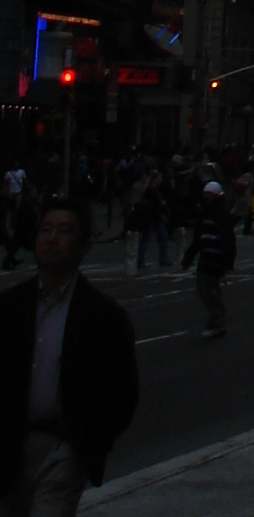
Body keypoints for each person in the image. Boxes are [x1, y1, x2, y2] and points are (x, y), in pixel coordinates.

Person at [0, 197, 139, 517]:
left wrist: (89, 441)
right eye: (45, 230)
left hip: (64, 446)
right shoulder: (10, 307)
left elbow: (123, 392)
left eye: (64, 231)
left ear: (84, 246)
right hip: (9, 442)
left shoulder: (103, 316)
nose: (51, 239)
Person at [183, 179, 237, 340]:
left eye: (208, 195)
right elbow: (198, 238)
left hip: (215, 257)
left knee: (208, 289)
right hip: (206, 256)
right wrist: (189, 256)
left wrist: (227, 261)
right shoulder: (206, 213)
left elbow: (228, 238)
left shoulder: (220, 213)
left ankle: (216, 321)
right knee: (207, 289)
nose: (205, 197)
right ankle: (217, 320)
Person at [130, 166, 170, 274]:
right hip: (151, 217)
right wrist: (162, 206)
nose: (160, 180)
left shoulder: (152, 190)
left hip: (152, 217)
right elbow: (157, 203)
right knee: (151, 237)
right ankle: (143, 260)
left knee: (152, 237)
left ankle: (145, 260)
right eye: (159, 178)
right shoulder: (151, 190)